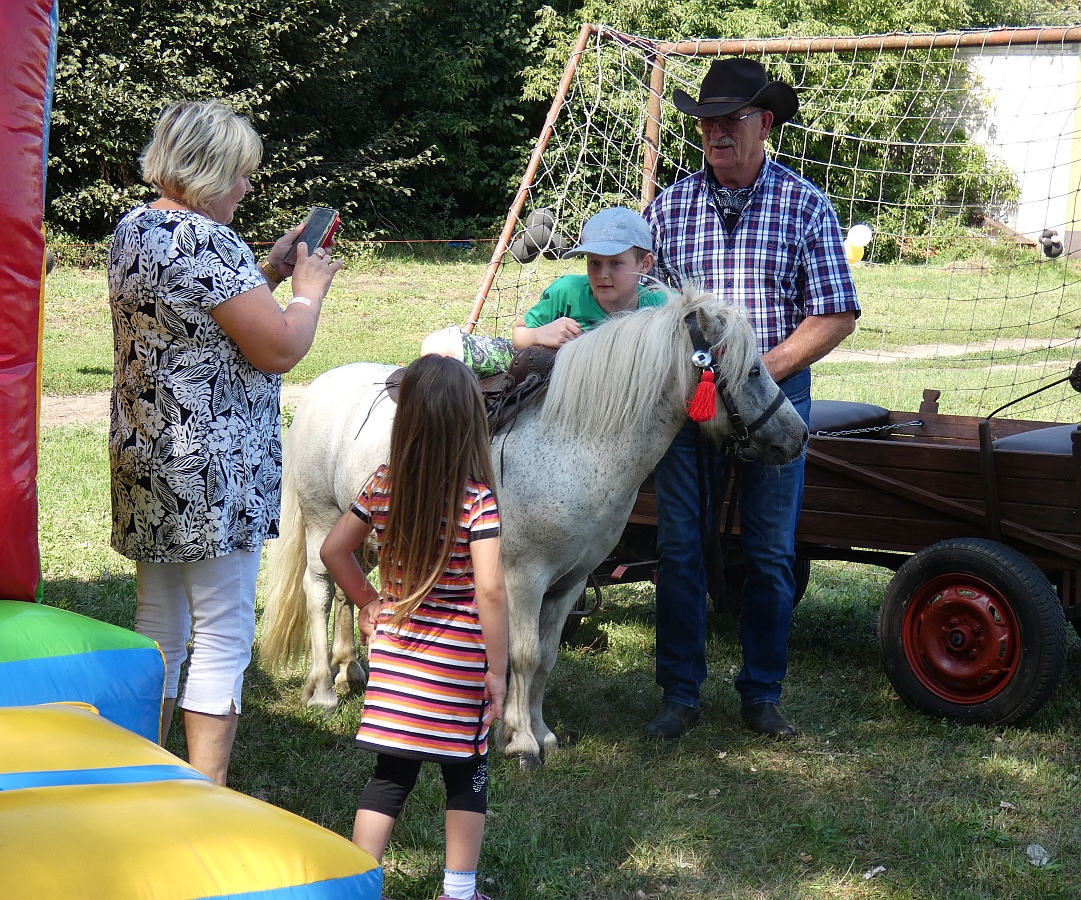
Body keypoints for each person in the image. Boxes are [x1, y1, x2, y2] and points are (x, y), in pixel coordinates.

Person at [108, 100, 342, 784]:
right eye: (241, 174)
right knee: (221, 633)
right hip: (212, 468)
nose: (248, 187)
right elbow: (277, 348)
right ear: (209, 173)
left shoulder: (133, 229)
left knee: (159, 624)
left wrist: (265, 274)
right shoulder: (209, 245)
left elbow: (199, 317)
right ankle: (203, 800)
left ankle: (142, 774)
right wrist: (307, 290)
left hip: (149, 457)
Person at [643, 58, 859, 740]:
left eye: (731, 121)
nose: (716, 134)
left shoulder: (806, 204)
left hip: (772, 397)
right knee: (679, 547)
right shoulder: (668, 208)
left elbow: (834, 313)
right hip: (691, 401)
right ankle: (680, 693)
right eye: (707, 123)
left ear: (765, 123)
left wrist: (757, 373)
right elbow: (645, 306)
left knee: (769, 553)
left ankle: (762, 694)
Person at [320, 354, 508, 900]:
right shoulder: (477, 501)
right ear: (470, 422)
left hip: (397, 660)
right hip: (458, 668)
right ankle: (458, 890)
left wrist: (369, 599)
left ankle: (356, 883)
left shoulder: (382, 483)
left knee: (390, 777)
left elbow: (335, 550)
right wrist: (498, 671)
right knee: (466, 777)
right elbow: (491, 591)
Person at [420, 206, 664, 373]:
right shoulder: (567, 290)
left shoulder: (662, 306)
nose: (603, 274)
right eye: (594, 262)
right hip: (547, 372)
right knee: (437, 346)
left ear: (645, 264)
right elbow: (519, 337)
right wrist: (540, 335)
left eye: (615, 263)